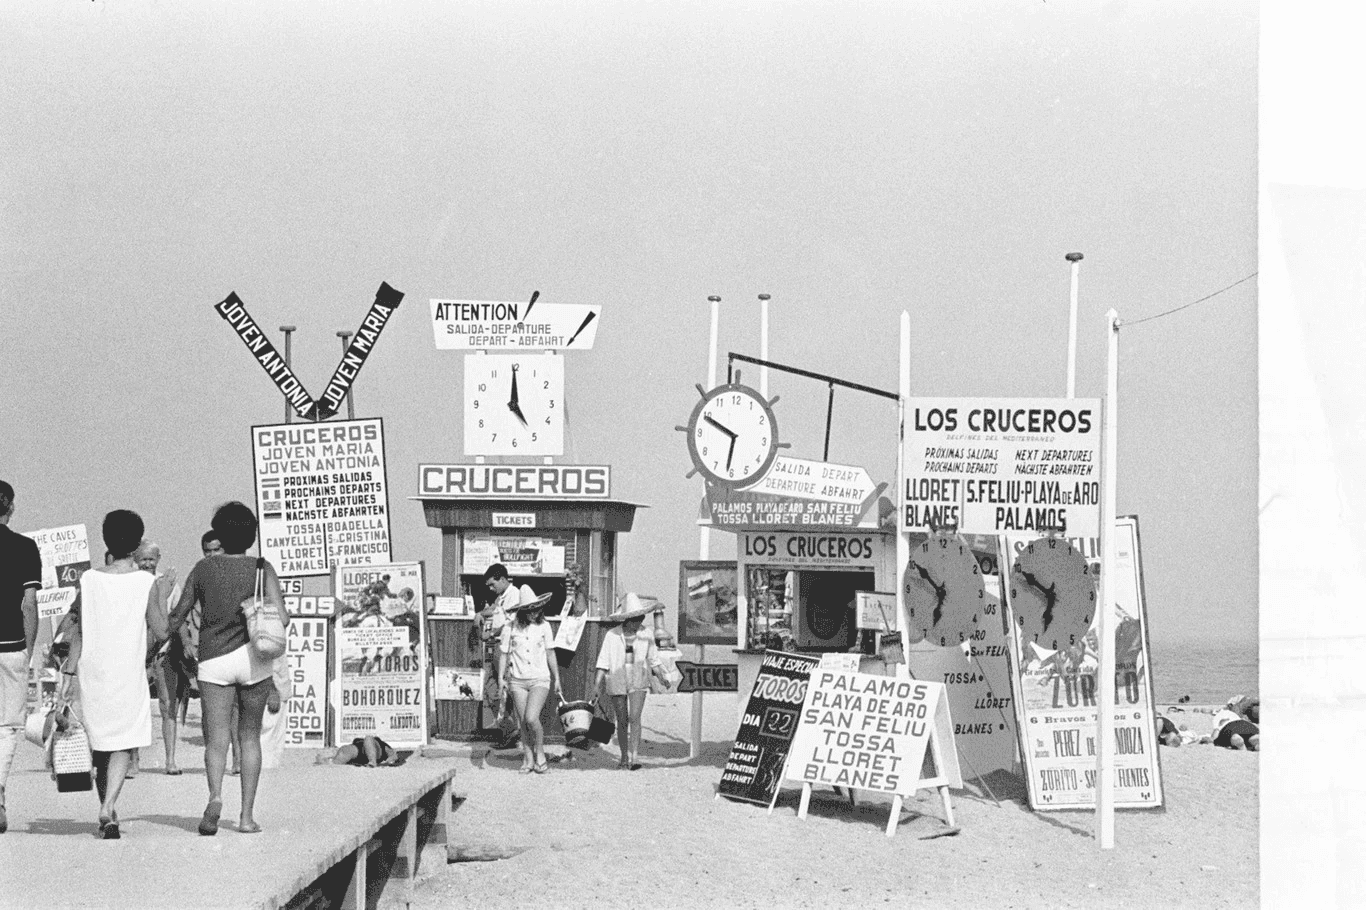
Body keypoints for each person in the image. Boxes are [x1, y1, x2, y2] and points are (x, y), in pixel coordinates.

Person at [167, 501, 288, 835]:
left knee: (216, 739)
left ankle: (216, 796)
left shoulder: (203, 569)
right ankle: (246, 817)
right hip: (254, 660)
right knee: (249, 737)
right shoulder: (263, 568)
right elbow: (284, 618)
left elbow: (178, 615)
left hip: (214, 661)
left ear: (219, 534)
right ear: (251, 535)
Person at [77, 510, 173, 838]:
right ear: (136, 545)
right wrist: (164, 593)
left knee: (101, 742)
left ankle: (107, 809)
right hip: (126, 669)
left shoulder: (88, 579)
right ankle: (109, 806)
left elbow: (77, 626)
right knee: (122, 741)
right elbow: (161, 631)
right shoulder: (146, 582)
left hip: (93, 668)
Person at [0, 480, 42, 835]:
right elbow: (29, 604)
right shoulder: (26, 547)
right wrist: (28, 649)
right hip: (11, 643)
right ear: (10, 508)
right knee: (7, 726)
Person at [594, 593, 668, 771]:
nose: (639, 621)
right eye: (636, 618)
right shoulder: (612, 635)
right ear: (627, 619)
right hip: (617, 680)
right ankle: (623, 757)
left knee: (635, 717)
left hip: (639, 679)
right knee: (622, 720)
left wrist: (661, 677)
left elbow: (654, 660)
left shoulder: (646, 634)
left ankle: (634, 757)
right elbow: (603, 662)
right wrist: (596, 686)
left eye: (641, 618)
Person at [138, 540, 190, 775]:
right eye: (143, 559)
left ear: (158, 559)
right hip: (136, 652)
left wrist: (185, 644)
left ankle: (170, 760)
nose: (147, 563)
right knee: (133, 708)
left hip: (164, 651)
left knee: (168, 706)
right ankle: (132, 760)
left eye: (151, 558)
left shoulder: (169, 584)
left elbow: (177, 616)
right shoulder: (131, 583)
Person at [497, 585, 559, 774]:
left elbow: (550, 652)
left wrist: (557, 678)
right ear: (522, 610)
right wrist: (501, 678)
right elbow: (504, 654)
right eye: (529, 609)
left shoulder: (544, 626)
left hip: (540, 678)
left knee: (532, 718)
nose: (534, 612)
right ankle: (528, 757)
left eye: (536, 608)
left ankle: (539, 752)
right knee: (523, 721)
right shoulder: (510, 627)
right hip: (517, 680)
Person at [481, 564, 521, 748]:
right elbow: (493, 611)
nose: (490, 588)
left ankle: (510, 732)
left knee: (503, 690)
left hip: (506, 648)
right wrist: (478, 614)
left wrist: (492, 633)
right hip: (497, 646)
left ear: (503, 579)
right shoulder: (501, 597)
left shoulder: (514, 594)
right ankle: (508, 728)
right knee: (490, 688)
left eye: (492, 584)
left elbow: (510, 623)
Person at [314, 735, 400, 767]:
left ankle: (372, 761)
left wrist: (391, 760)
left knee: (368, 738)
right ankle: (330, 761)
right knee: (344, 750)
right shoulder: (358, 742)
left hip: (376, 752)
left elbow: (393, 754)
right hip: (359, 752)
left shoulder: (381, 744)